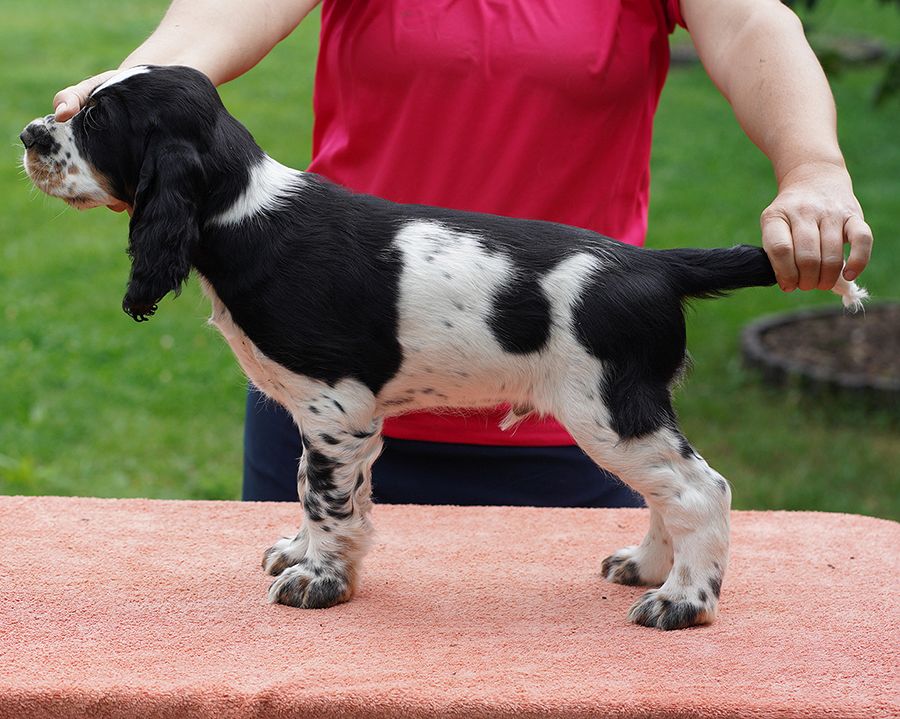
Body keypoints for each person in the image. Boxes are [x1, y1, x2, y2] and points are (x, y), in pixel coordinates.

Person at [53, 0, 873, 507]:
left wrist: (812, 167)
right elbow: (223, 10)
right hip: (320, 377)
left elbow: (755, 22)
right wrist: (137, 93)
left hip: (567, 411)